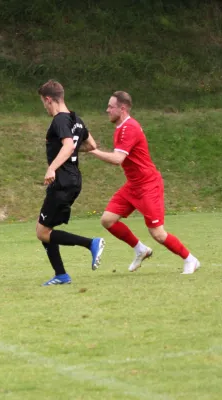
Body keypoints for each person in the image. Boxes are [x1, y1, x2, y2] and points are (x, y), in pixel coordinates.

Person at [87, 91, 200, 274]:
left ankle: (190, 259)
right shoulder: (120, 127)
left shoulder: (129, 127)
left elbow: (117, 159)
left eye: (111, 106)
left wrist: (92, 151)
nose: (107, 110)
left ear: (122, 108)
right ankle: (140, 249)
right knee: (107, 220)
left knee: (157, 233)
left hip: (148, 185)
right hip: (133, 185)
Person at [36, 80, 105, 286]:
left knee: (42, 232)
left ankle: (91, 244)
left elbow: (67, 146)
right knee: (46, 230)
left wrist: (52, 168)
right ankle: (61, 275)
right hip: (74, 180)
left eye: (44, 103)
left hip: (62, 181)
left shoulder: (59, 121)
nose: (45, 108)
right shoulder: (77, 119)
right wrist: (72, 149)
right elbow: (91, 144)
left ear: (49, 99)